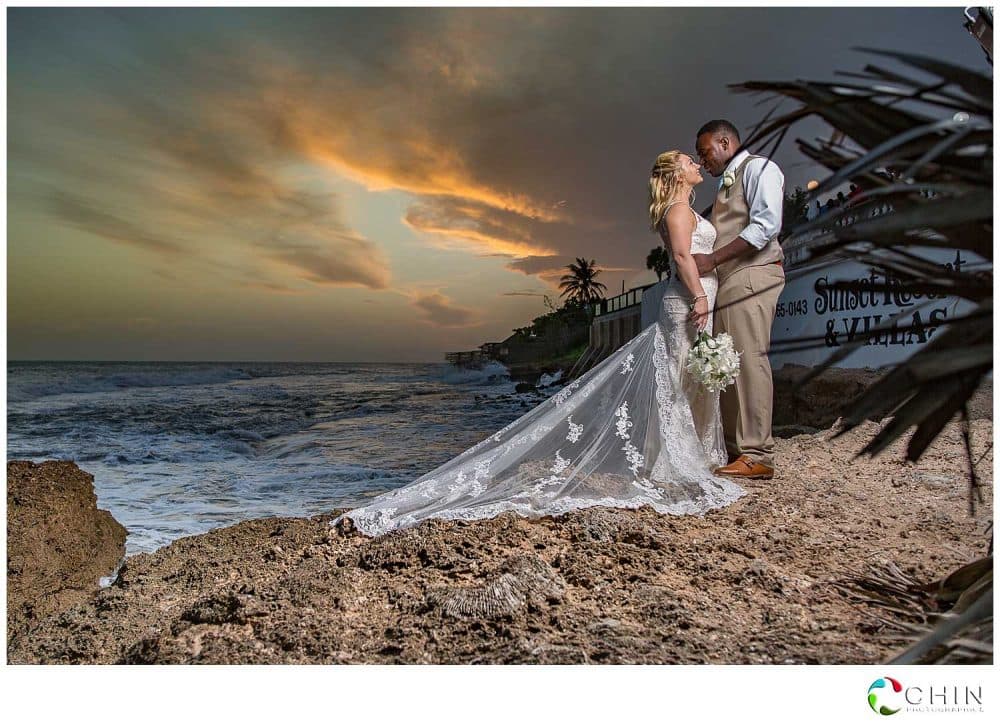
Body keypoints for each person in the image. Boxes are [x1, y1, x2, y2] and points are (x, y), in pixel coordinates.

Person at [333, 150, 745, 537]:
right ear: (676, 174)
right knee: (675, 381)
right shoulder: (676, 211)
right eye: (690, 162)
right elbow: (682, 256)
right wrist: (701, 297)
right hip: (688, 301)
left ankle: (698, 458)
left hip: (694, 299)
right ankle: (674, 465)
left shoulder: (685, 209)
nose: (696, 165)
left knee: (691, 379)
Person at [692, 119, 785, 480]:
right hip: (730, 281)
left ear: (726, 142)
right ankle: (737, 448)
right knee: (729, 363)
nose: (703, 162)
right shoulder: (724, 187)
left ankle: (756, 452)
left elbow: (765, 226)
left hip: (753, 273)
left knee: (750, 359)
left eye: (705, 152)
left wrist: (712, 259)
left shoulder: (760, 168)